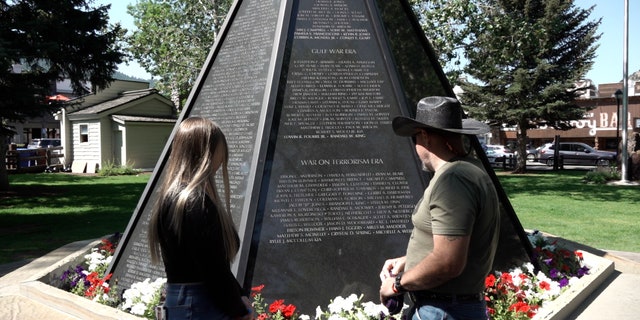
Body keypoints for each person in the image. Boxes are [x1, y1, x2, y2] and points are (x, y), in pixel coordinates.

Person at [379, 96, 500, 320]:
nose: (415, 146)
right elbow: (457, 241)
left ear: (425, 135)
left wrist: (396, 285)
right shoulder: (467, 170)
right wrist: (409, 260)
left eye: (415, 137)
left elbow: (448, 262)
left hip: (443, 311)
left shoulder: (454, 179)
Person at [148, 117, 254, 320]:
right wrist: (240, 311)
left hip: (181, 301)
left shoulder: (174, 197)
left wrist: (240, 295)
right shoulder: (196, 202)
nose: (222, 158)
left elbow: (212, 263)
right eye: (220, 150)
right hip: (200, 306)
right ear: (206, 152)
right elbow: (213, 268)